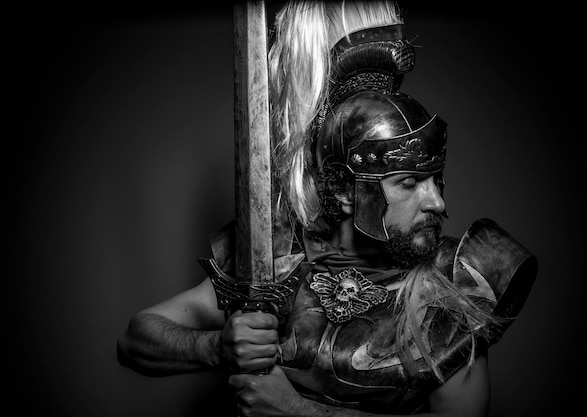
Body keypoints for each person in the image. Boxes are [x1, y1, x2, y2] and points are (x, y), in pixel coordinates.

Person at [117, 1, 538, 416]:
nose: (438, 202)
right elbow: (135, 340)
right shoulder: (274, 258)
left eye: (435, 180)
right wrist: (215, 347)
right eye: (409, 183)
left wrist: (298, 412)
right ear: (344, 192)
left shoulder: (454, 285)